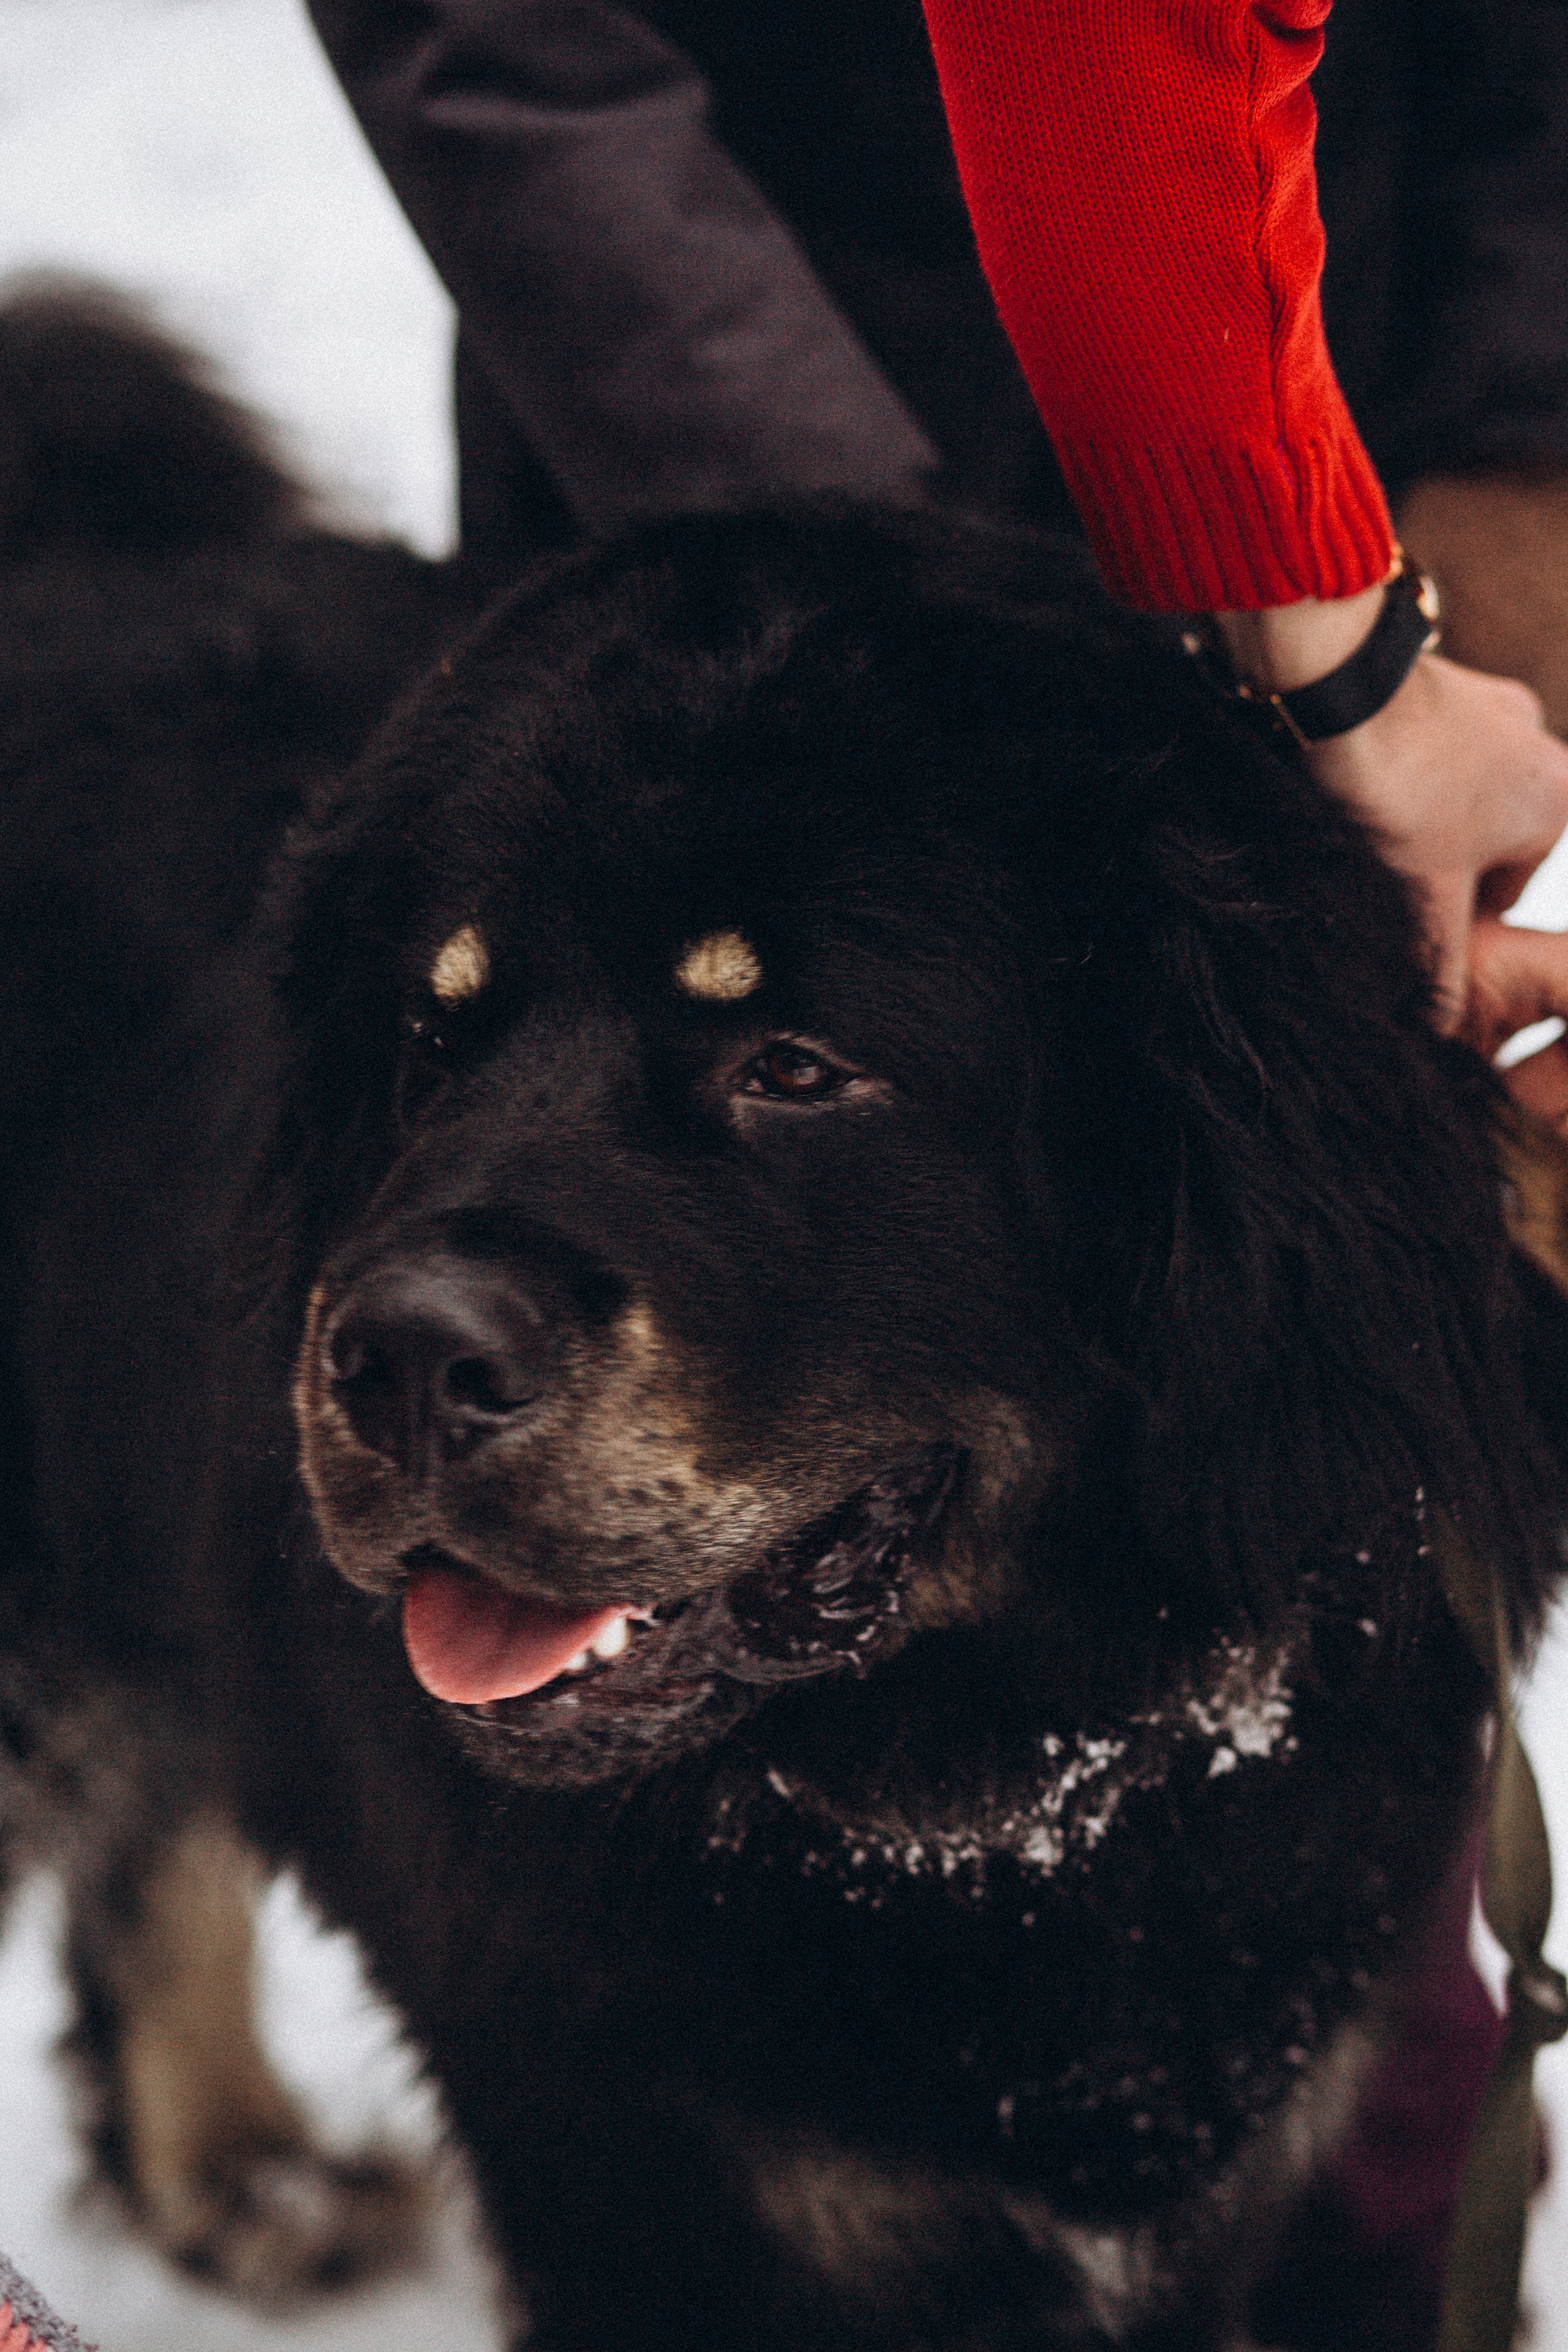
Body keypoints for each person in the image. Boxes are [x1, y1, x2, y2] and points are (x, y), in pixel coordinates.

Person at [300, 6, 1568, 2339]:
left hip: (1343, 519)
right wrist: (905, 612)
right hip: (696, 509)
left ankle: (1372, 2241)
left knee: (1296, 1502)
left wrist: (1495, 453)